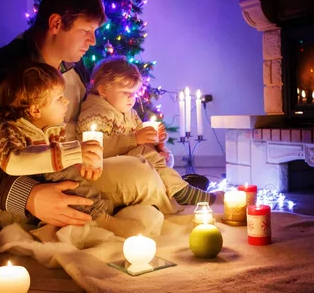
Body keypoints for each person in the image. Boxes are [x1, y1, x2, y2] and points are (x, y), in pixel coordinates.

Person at [0, 0, 175, 231]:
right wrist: (30, 196)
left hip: (72, 168)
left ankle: (108, 210)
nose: (93, 41)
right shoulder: (5, 69)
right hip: (17, 181)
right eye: (86, 30)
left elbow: (104, 113)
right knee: (136, 184)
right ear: (56, 24)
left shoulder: (77, 67)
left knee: (142, 172)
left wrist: (142, 141)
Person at [0, 62, 162, 238]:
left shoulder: (53, 130)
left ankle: (89, 214)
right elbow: (13, 163)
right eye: (59, 98)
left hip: (38, 195)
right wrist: (72, 153)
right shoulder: (10, 130)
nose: (67, 102)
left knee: (67, 177)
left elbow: (58, 164)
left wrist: (80, 164)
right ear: (35, 110)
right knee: (60, 175)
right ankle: (100, 219)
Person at [77, 56, 222, 210]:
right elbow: (96, 149)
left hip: (130, 163)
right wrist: (135, 139)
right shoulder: (96, 113)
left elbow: (141, 140)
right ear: (103, 90)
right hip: (104, 169)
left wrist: (157, 143)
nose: (131, 98)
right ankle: (182, 191)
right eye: (126, 92)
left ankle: (178, 189)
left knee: (152, 154)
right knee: (145, 153)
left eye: (134, 93)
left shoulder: (130, 113)